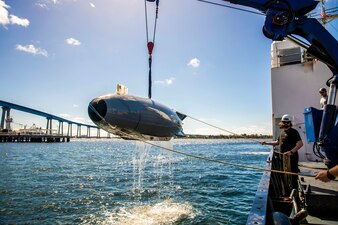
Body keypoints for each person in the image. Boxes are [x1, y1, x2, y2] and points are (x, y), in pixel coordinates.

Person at [261, 114, 304, 190]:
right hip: (282, 159)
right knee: (284, 176)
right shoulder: (282, 133)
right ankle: (287, 192)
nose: (285, 123)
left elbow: (300, 144)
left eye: (287, 122)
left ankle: (294, 194)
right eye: (284, 122)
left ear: (290, 123)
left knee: (292, 176)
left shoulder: (294, 132)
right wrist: (266, 143)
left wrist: (291, 152)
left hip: (291, 159)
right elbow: (277, 142)